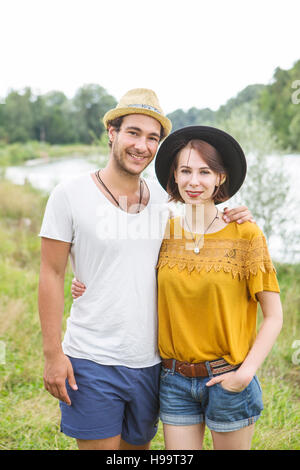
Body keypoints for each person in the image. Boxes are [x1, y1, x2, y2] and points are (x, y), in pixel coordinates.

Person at [38, 89, 254, 451]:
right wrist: (52, 354)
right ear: (112, 132)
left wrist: (237, 215)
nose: (142, 145)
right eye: (133, 133)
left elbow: (204, 230)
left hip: (152, 365)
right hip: (91, 358)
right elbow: (51, 274)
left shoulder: (164, 203)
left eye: (152, 137)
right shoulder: (69, 194)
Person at [153, 126, 283, 450]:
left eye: (204, 171)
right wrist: (84, 283)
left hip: (229, 379)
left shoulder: (246, 235)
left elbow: (274, 316)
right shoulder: (160, 232)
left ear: (220, 178)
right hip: (174, 380)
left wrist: (244, 374)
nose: (193, 181)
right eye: (185, 171)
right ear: (174, 175)